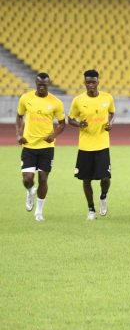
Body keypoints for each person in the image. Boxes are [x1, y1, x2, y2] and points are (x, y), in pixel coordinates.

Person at [16, 72, 66, 221]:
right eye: (39, 84)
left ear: (48, 84)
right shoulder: (26, 98)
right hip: (29, 145)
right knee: (27, 179)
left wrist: (54, 135)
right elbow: (19, 116)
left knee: (43, 178)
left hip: (46, 147)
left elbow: (62, 123)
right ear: (35, 83)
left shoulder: (56, 102)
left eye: (44, 85)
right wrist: (19, 134)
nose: (42, 87)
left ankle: (39, 212)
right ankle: (30, 191)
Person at [68, 69, 115, 220]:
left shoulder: (107, 98)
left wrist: (110, 123)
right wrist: (78, 124)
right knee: (86, 179)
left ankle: (103, 196)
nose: (91, 85)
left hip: (102, 145)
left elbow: (112, 113)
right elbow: (70, 119)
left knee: (106, 178)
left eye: (93, 82)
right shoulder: (78, 100)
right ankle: (91, 209)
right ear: (84, 83)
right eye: (88, 82)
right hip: (85, 146)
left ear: (98, 82)